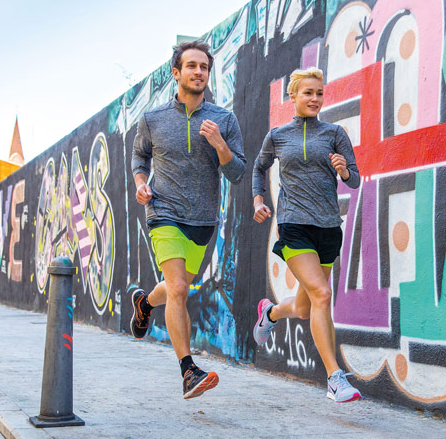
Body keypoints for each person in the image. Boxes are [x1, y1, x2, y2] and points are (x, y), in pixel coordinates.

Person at [130, 40, 246, 399]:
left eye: (204, 67)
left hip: (203, 220)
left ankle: (145, 303)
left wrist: (219, 144)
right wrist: (140, 184)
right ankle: (188, 371)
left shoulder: (224, 120)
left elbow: (238, 173)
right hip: (164, 212)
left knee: (177, 286)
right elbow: (139, 159)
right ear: (176, 73)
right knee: (179, 288)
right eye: (192, 66)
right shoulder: (153, 119)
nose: (199, 72)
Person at [251, 67, 362, 403]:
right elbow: (259, 167)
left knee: (304, 306)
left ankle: (269, 313)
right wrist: (259, 199)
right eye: (308, 93)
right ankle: (334, 377)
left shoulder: (334, 133)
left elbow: (354, 180)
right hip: (294, 225)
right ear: (293, 96)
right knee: (322, 295)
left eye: (319, 93)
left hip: (328, 228)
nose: (315, 99)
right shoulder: (278, 135)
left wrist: (343, 170)